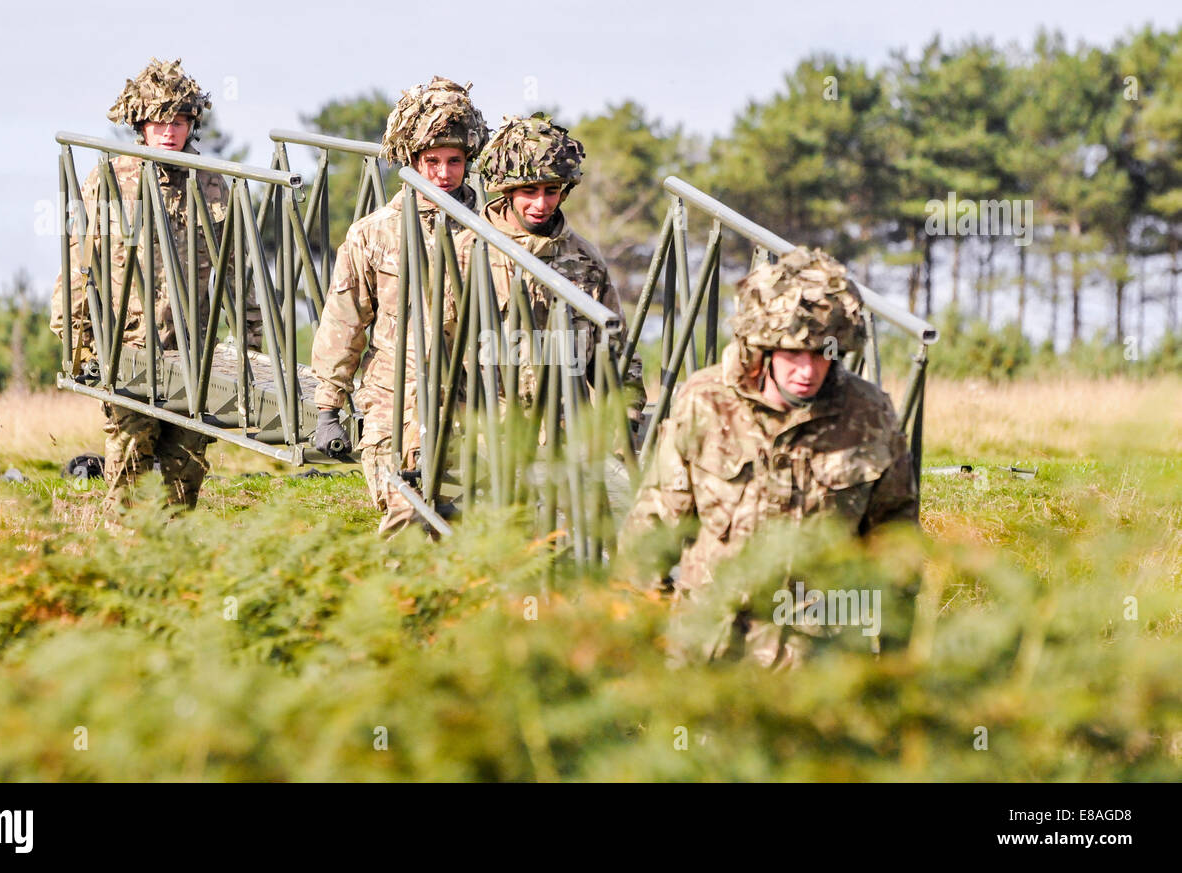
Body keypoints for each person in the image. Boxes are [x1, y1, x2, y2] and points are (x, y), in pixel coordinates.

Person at [619, 247, 918, 667]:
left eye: (821, 354)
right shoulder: (706, 403)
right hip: (713, 657)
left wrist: (896, 663)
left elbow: (896, 544)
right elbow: (654, 528)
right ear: (762, 349)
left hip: (820, 664)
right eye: (794, 354)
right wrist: (642, 638)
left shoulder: (869, 414)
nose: (808, 370)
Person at [50, 57, 261, 517]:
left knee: (185, 475)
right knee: (128, 468)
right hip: (129, 346)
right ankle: (125, 568)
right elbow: (79, 264)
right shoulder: (108, 180)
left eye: (181, 120)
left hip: (195, 353)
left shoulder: (211, 184)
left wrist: (252, 341)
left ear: (192, 126)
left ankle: (172, 570)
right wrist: (75, 337)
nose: (170, 131)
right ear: (140, 124)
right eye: (160, 120)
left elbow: (236, 271)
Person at [308, 76, 487, 536]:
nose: (444, 174)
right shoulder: (374, 233)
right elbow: (344, 322)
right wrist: (328, 409)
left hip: (471, 408)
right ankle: (398, 606)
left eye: (454, 161)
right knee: (406, 523)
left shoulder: (490, 233)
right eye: (432, 162)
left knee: (467, 534)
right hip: (393, 405)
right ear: (410, 160)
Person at [456, 113, 645, 421]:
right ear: (508, 192)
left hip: (566, 436)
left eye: (551, 191)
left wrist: (627, 416)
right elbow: (430, 350)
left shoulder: (586, 260)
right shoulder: (466, 253)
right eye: (530, 192)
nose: (541, 204)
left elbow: (614, 352)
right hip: (487, 435)